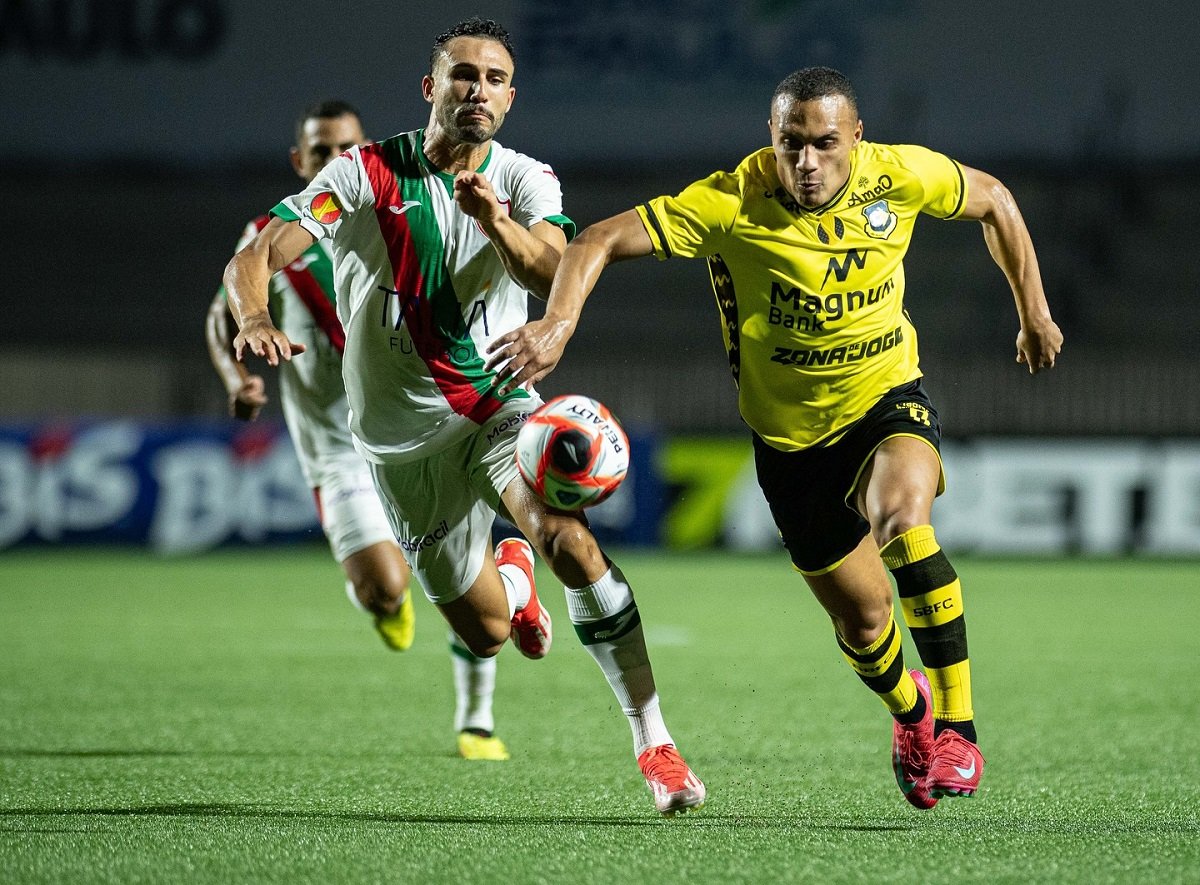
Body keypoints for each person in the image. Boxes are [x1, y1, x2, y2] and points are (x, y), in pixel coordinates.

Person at [488, 66, 1063, 809]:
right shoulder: (731, 201)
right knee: (864, 622)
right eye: (792, 143)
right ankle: (912, 713)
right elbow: (596, 238)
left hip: (886, 400)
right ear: (772, 137)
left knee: (904, 523)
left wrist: (1034, 312)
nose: (808, 162)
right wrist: (559, 321)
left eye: (826, 143)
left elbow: (997, 201)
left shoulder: (900, 176)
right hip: (790, 447)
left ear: (856, 137)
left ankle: (959, 729)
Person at [222, 18, 705, 816]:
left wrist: (494, 221)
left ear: (510, 98)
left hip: (494, 405)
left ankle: (654, 741)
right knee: (484, 633)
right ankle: (512, 580)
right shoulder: (363, 172)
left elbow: (556, 271)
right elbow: (256, 252)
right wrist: (251, 316)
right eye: (463, 75)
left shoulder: (525, 180)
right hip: (397, 447)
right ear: (431, 88)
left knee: (568, 538)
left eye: (493, 78)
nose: (477, 89)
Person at [208, 99, 509, 762]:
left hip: (421, 425)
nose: (328, 160)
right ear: (300, 162)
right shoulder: (271, 233)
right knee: (385, 585)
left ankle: (477, 718)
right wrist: (240, 378)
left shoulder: (396, 212)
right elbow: (222, 315)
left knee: (468, 573)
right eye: (316, 152)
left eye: (340, 148)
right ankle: (383, 602)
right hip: (339, 448)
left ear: (358, 150)